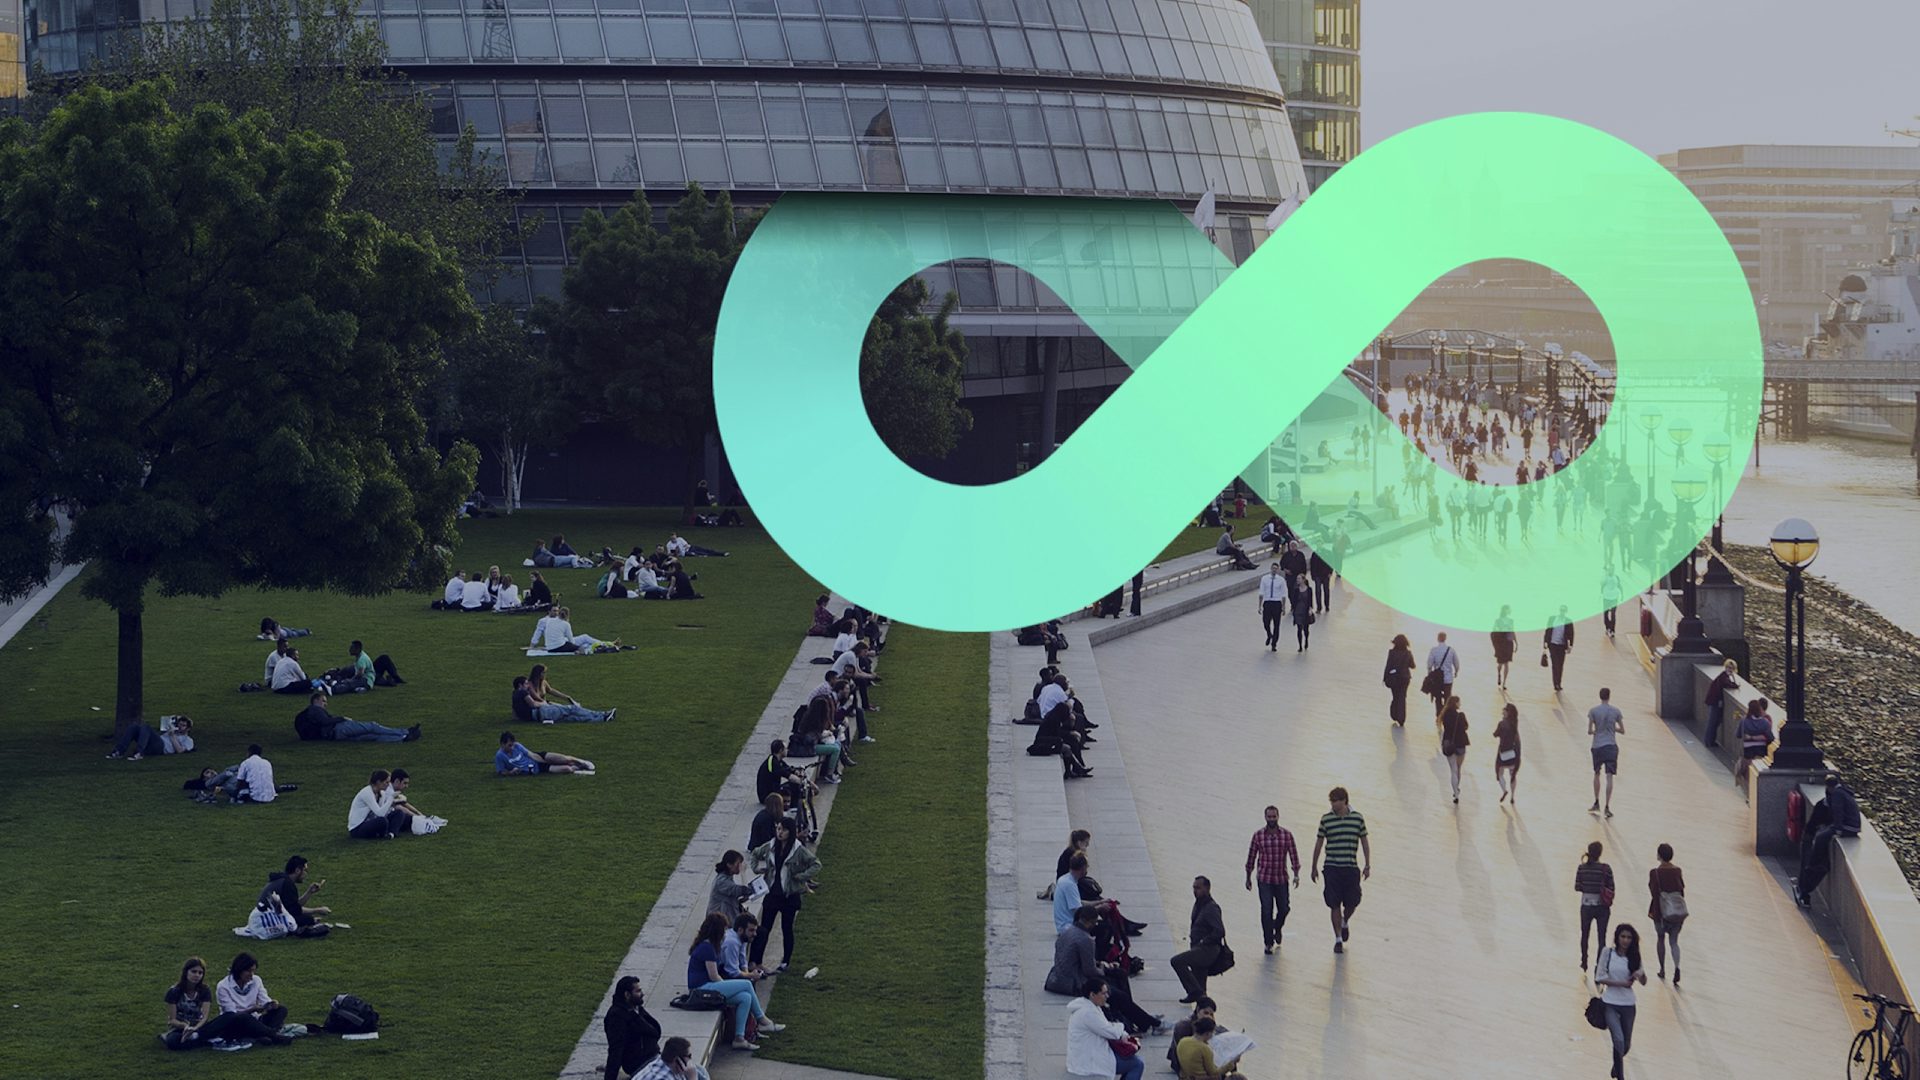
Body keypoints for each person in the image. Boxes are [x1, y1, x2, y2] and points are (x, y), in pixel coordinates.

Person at [687, 912, 783, 1051]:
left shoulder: (709, 945)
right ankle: (762, 1020)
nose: (725, 933)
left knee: (745, 997)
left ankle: (739, 1038)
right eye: (723, 929)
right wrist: (727, 987)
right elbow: (714, 977)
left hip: (707, 987)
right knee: (746, 984)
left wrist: (728, 988)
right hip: (701, 989)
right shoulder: (707, 948)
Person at [749, 816, 819, 972]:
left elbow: (815, 864)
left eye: (784, 830)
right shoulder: (771, 846)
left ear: (791, 832)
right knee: (763, 929)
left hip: (789, 896)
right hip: (772, 894)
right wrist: (756, 868)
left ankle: (785, 961)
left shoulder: (798, 850)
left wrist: (801, 877)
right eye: (778, 829)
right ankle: (755, 961)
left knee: (787, 929)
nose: (780, 833)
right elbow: (755, 853)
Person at [1312, 786, 1370, 954]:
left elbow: (1364, 841)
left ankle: (1345, 922)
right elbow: (1319, 843)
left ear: (1344, 800)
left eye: (1336, 801)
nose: (1333, 805)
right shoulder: (1326, 819)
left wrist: (1367, 864)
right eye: (1331, 801)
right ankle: (1338, 938)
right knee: (1334, 903)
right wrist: (1314, 866)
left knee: (1353, 902)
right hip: (1332, 867)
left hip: (1351, 866)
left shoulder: (1358, 819)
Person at [1795, 773, 1861, 907]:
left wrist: (1837, 829)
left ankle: (1804, 888)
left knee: (1819, 840)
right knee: (1821, 853)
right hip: (1853, 827)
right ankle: (1805, 887)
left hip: (1844, 827)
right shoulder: (1844, 793)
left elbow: (1838, 812)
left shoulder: (1835, 796)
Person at [1593, 924, 1647, 1079]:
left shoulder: (1635, 956)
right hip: (1610, 1003)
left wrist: (1640, 974)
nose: (1625, 940)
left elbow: (1644, 981)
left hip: (1628, 1004)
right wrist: (1621, 983)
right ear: (1617, 937)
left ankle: (1616, 1067)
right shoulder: (1607, 953)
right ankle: (1621, 1076)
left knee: (1626, 1044)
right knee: (1618, 1039)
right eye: (1623, 936)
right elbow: (1599, 977)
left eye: (1629, 937)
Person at [1245, 805, 1300, 954]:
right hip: (1264, 879)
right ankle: (1268, 942)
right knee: (1266, 910)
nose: (1271, 819)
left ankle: (1277, 927)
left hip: (1281, 878)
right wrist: (1248, 876)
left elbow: (1293, 855)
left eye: (1274, 816)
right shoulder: (1258, 836)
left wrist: (1296, 874)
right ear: (1265, 818)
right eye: (1269, 817)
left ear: (1278, 817)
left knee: (1284, 908)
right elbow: (1251, 856)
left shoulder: (1286, 835)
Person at [1066, 978, 1144, 1080]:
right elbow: (1111, 1033)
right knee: (1137, 1064)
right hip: (1088, 1061)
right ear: (1092, 994)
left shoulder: (1088, 1006)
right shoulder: (1088, 1013)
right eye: (1103, 993)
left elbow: (1106, 1026)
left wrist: (1117, 1029)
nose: (1107, 996)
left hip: (1086, 1054)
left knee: (1133, 1061)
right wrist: (1121, 1027)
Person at [215, 954, 293, 1046]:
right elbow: (231, 1015)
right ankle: (273, 1036)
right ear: (239, 970)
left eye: (253, 971)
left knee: (281, 1010)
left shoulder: (256, 980)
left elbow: (264, 999)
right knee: (243, 1017)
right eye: (248, 971)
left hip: (256, 1021)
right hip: (235, 1024)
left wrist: (271, 1004)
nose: (251, 975)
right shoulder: (223, 986)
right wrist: (252, 1010)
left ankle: (262, 1036)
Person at [1168, 876, 1224, 1005]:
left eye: (1198, 888)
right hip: (1197, 949)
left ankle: (1194, 992)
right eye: (1194, 888)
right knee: (1200, 984)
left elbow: (1219, 931)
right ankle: (1200, 1010)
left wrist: (1204, 942)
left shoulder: (1211, 908)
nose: (1195, 891)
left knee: (1177, 961)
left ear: (1207, 888)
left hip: (1207, 950)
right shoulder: (1199, 904)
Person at [253, 855, 334, 937]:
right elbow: (294, 911)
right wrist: (316, 911)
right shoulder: (287, 884)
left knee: (306, 919)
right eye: (305, 871)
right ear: (298, 870)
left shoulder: (282, 880)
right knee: (305, 920)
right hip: (268, 919)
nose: (306, 874)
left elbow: (293, 906)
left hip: (262, 917)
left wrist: (309, 892)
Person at [294, 692, 418, 743]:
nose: (325, 704)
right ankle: (406, 731)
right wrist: (342, 718)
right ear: (315, 700)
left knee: (371, 737)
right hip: (339, 729)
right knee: (372, 726)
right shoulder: (315, 709)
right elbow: (326, 721)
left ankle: (402, 738)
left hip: (335, 737)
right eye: (323, 701)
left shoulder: (306, 714)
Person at [602, 975, 663, 1080]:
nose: (642, 994)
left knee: (696, 1070)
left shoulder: (635, 1008)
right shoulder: (617, 1017)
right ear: (627, 994)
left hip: (655, 1057)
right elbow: (615, 1049)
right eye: (638, 991)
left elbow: (654, 1030)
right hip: (642, 1065)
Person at [1647, 843, 1686, 983]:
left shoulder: (1655, 873)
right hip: (1676, 911)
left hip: (1660, 912)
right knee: (1674, 942)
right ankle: (1677, 967)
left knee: (1660, 938)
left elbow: (1653, 892)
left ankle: (1662, 969)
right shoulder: (1677, 871)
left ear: (1659, 855)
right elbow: (1681, 890)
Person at [525, 664, 616, 723]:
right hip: (544, 709)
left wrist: (566, 697)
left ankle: (602, 718)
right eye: (543, 673)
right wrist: (551, 704)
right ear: (538, 674)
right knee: (573, 710)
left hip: (548, 707)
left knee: (572, 718)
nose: (545, 675)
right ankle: (602, 714)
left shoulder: (543, 682)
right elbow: (537, 698)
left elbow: (551, 690)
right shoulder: (530, 685)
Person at [1574, 841, 1616, 970]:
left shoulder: (1581, 868)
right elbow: (1612, 887)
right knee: (1601, 937)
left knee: (1585, 934)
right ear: (1600, 853)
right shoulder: (1606, 868)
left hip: (1586, 905)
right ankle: (1599, 965)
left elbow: (1577, 887)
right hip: (1602, 907)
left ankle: (1584, 960)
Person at [1588, 688, 1625, 818]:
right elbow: (1622, 730)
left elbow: (1590, 731)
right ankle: (1607, 806)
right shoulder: (1616, 711)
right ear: (1609, 696)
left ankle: (1596, 801)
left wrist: (1598, 730)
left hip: (1597, 745)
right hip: (1611, 745)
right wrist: (1612, 728)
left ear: (1600, 696)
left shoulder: (1593, 711)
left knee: (1596, 773)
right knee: (1609, 776)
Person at [347, 769, 414, 839]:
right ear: (379, 782)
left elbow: (383, 811)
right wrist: (391, 798)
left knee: (399, 813)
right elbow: (380, 814)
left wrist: (394, 802)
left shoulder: (382, 793)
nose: (388, 785)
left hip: (371, 821)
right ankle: (382, 834)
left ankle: (391, 834)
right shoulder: (367, 793)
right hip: (358, 827)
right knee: (382, 821)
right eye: (386, 782)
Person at [495, 730, 595, 775]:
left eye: (512, 745)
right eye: (509, 745)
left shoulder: (517, 746)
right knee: (567, 769)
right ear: (502, 744)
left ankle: (581, 761)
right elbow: (502, 772)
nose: (512, 747)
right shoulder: (500, 756)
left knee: (562, 759)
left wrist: (544, 761)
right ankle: (579, 767)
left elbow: (531, 754)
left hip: (537, 758)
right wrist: (511, 772)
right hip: (536, 768)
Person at [1175, 1016, 1242, 1080]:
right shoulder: (1204, 1048)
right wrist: (1231, 1064)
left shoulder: (1183, 1041)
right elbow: (1214, 1072)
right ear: (1208, 1033)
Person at [107, 715, 194, 760]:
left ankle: (139, 753)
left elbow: (180, 751)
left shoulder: (188, 740)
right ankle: (118, 752)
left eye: (183, 726)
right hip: (153, 743)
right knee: (134, 727)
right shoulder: (173, 730)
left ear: (188, 729)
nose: (180, 727)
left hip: (162, 748)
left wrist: (172, 736)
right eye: (179, 724)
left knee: (146, 727)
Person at [387, 769, 447, 835]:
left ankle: (425, 819)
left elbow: (404, 803)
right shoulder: (388, 791)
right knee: (407, 817)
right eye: (405, 783)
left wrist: (420, 814)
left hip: (391, 816)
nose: (406, 786)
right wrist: (418, 817)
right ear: (397, 781)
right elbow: (399, 807)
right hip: (388, 818)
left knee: (407, 815)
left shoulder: (392, 790)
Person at [1736, 697, 1776, 782]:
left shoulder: (1743, 721)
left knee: (1747, 768)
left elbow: (1738, 735)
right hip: (1761, 749)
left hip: (1747, 749)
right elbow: (1771, 738)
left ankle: (1748, 785)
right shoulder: (1765, 722)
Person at [1439, 696, 1470, 803]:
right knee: (1458, 768)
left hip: (1449, 744)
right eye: (1459, 702)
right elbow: (1466, 727)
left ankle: (1456, 793)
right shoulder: (1461, 716)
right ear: (1456, 703)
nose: (1460, 704)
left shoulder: (1444, 715)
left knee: (1453, 770)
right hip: (1460, 744)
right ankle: (1456, 789)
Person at [709, 850, 755, 923]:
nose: (740, 866)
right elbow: (744, 890)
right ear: (729, 864)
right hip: (718, 921)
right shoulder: (722, 881)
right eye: (738, 864)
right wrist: (743, 873)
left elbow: (730, 896)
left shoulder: (727, 877)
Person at [633, 1037, 709, 1080]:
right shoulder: (662, 1078)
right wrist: (693, 1078)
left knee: (699, 1069)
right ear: (677, 1060)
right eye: (689, 1056)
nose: (690, 1059)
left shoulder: (663, 1061)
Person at [1703, 658, 1738, 750]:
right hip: (1715, 702)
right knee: (1713, 722)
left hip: (1713, 701)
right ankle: (1709, 741)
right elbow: (1728, 684)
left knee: (1713, 722)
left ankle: (1709, 740)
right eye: (1728, 667)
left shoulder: (1722, 676)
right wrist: (1735, 685)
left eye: (1731, 668)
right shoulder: (1723, 677)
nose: (1730, 670)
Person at [1382, 634, 1415, 726]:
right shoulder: (1408, 653)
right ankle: (1401, 719)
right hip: (1405, 678)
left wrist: (1385, 677)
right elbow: (1413, 665)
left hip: (1394, 678)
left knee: (1395, 696)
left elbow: (1388, 665)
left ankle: (1394, 714)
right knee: (1402, 697)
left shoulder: (1392, 653)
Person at [1493, 702, 1522, 804]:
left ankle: (1504, 790)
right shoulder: (1515, 723)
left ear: (1507, 712)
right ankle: (1513, 797)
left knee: (1499, 772)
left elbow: (1495, 734)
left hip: (1503, 752)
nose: (1502, 711)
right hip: (1513, 753)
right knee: (1512, 775)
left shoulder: (1502, 724)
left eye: (1504, 710)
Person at [1426, 632, 1460, 716]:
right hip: (1448, 679)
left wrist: (1430, 673)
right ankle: (1446, 714)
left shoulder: (1434, 650)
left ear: (1438, 638)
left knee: (1437, 698)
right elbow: (1457, 663)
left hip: (1437, 679)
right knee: (1447, 698)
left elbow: (1429, 664)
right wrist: (1456, 672)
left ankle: (1438, 714)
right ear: (1445, 638)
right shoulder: (1451, 650)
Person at [1543, 604, 1576, 691]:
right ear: (1559, 610)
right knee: (1555, 664)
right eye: (1561, 610)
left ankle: (1559, 683)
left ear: (1565, 612)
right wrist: (1545, 643)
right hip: (1552, 645)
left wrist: (1571, 645)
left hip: (1562, 646)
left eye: (1564, 610)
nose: (1562, 612)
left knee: (1560, 665)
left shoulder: (1568, 621)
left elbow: (1571, 634)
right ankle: (1555, 684)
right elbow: (1547, 631)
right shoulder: (1552, 619)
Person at [1256, 561, 1287, 651]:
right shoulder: (1265, 579)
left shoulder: (1281, 580)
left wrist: (1283, 607)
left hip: (1276, 602)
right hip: (1268, 602)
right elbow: (1261, 592)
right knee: (1266, 622)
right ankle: (1269, 634)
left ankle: (1274, 643)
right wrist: (1259, 606)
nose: (1274, 570)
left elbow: (1283, 594)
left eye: (1276, 569)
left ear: (1278, 570)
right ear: (1270, 569)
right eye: (1273, 568)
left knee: (1276, 625)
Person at [1490, 605, 1517, 690]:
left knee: (1507, 663)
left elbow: (1513, 631)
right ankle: (1499, 674)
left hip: (1508, 643)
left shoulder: (1511, 621)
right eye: (1506, 610)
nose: (1508, 611)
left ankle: (1504, 683)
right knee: (1500, 664)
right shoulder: (1498, 621)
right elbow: (1493, 631)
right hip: (1501, 643)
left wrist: (1516, 642)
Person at [1288, 571, 1315, 651]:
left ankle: (1306, 640)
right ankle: (1300, 645)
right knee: (1299, 628)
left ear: (1303, 580)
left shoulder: (1309, 589)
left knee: (1306, 629)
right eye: (1297, 579)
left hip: (1305, 611)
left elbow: (1310, 600)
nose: (1297, 580)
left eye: (1299, 579)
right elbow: (1294, 600)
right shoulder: (1296, 590)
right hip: (1298, 611)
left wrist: (1310, 608)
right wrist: (1293, 609)